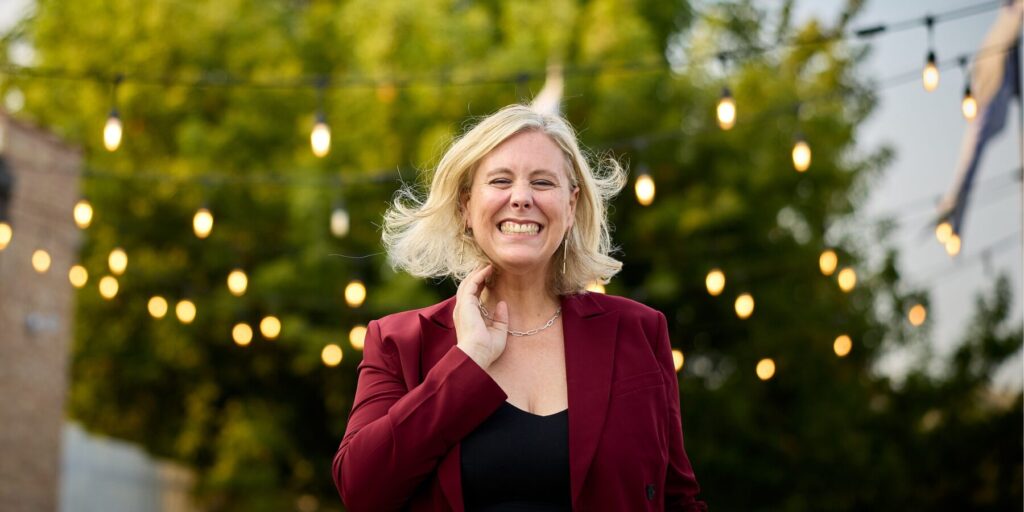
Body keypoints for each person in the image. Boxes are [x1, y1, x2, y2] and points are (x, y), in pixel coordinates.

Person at [332, 104, 707, 511]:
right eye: (500, 180)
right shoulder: (398, 342)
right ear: (465, 207)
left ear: (571, 206)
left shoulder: (639, 331)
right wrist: (467, 362)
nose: (522, 198)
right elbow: (360, 490)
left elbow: (678, 500)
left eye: (543, 182)